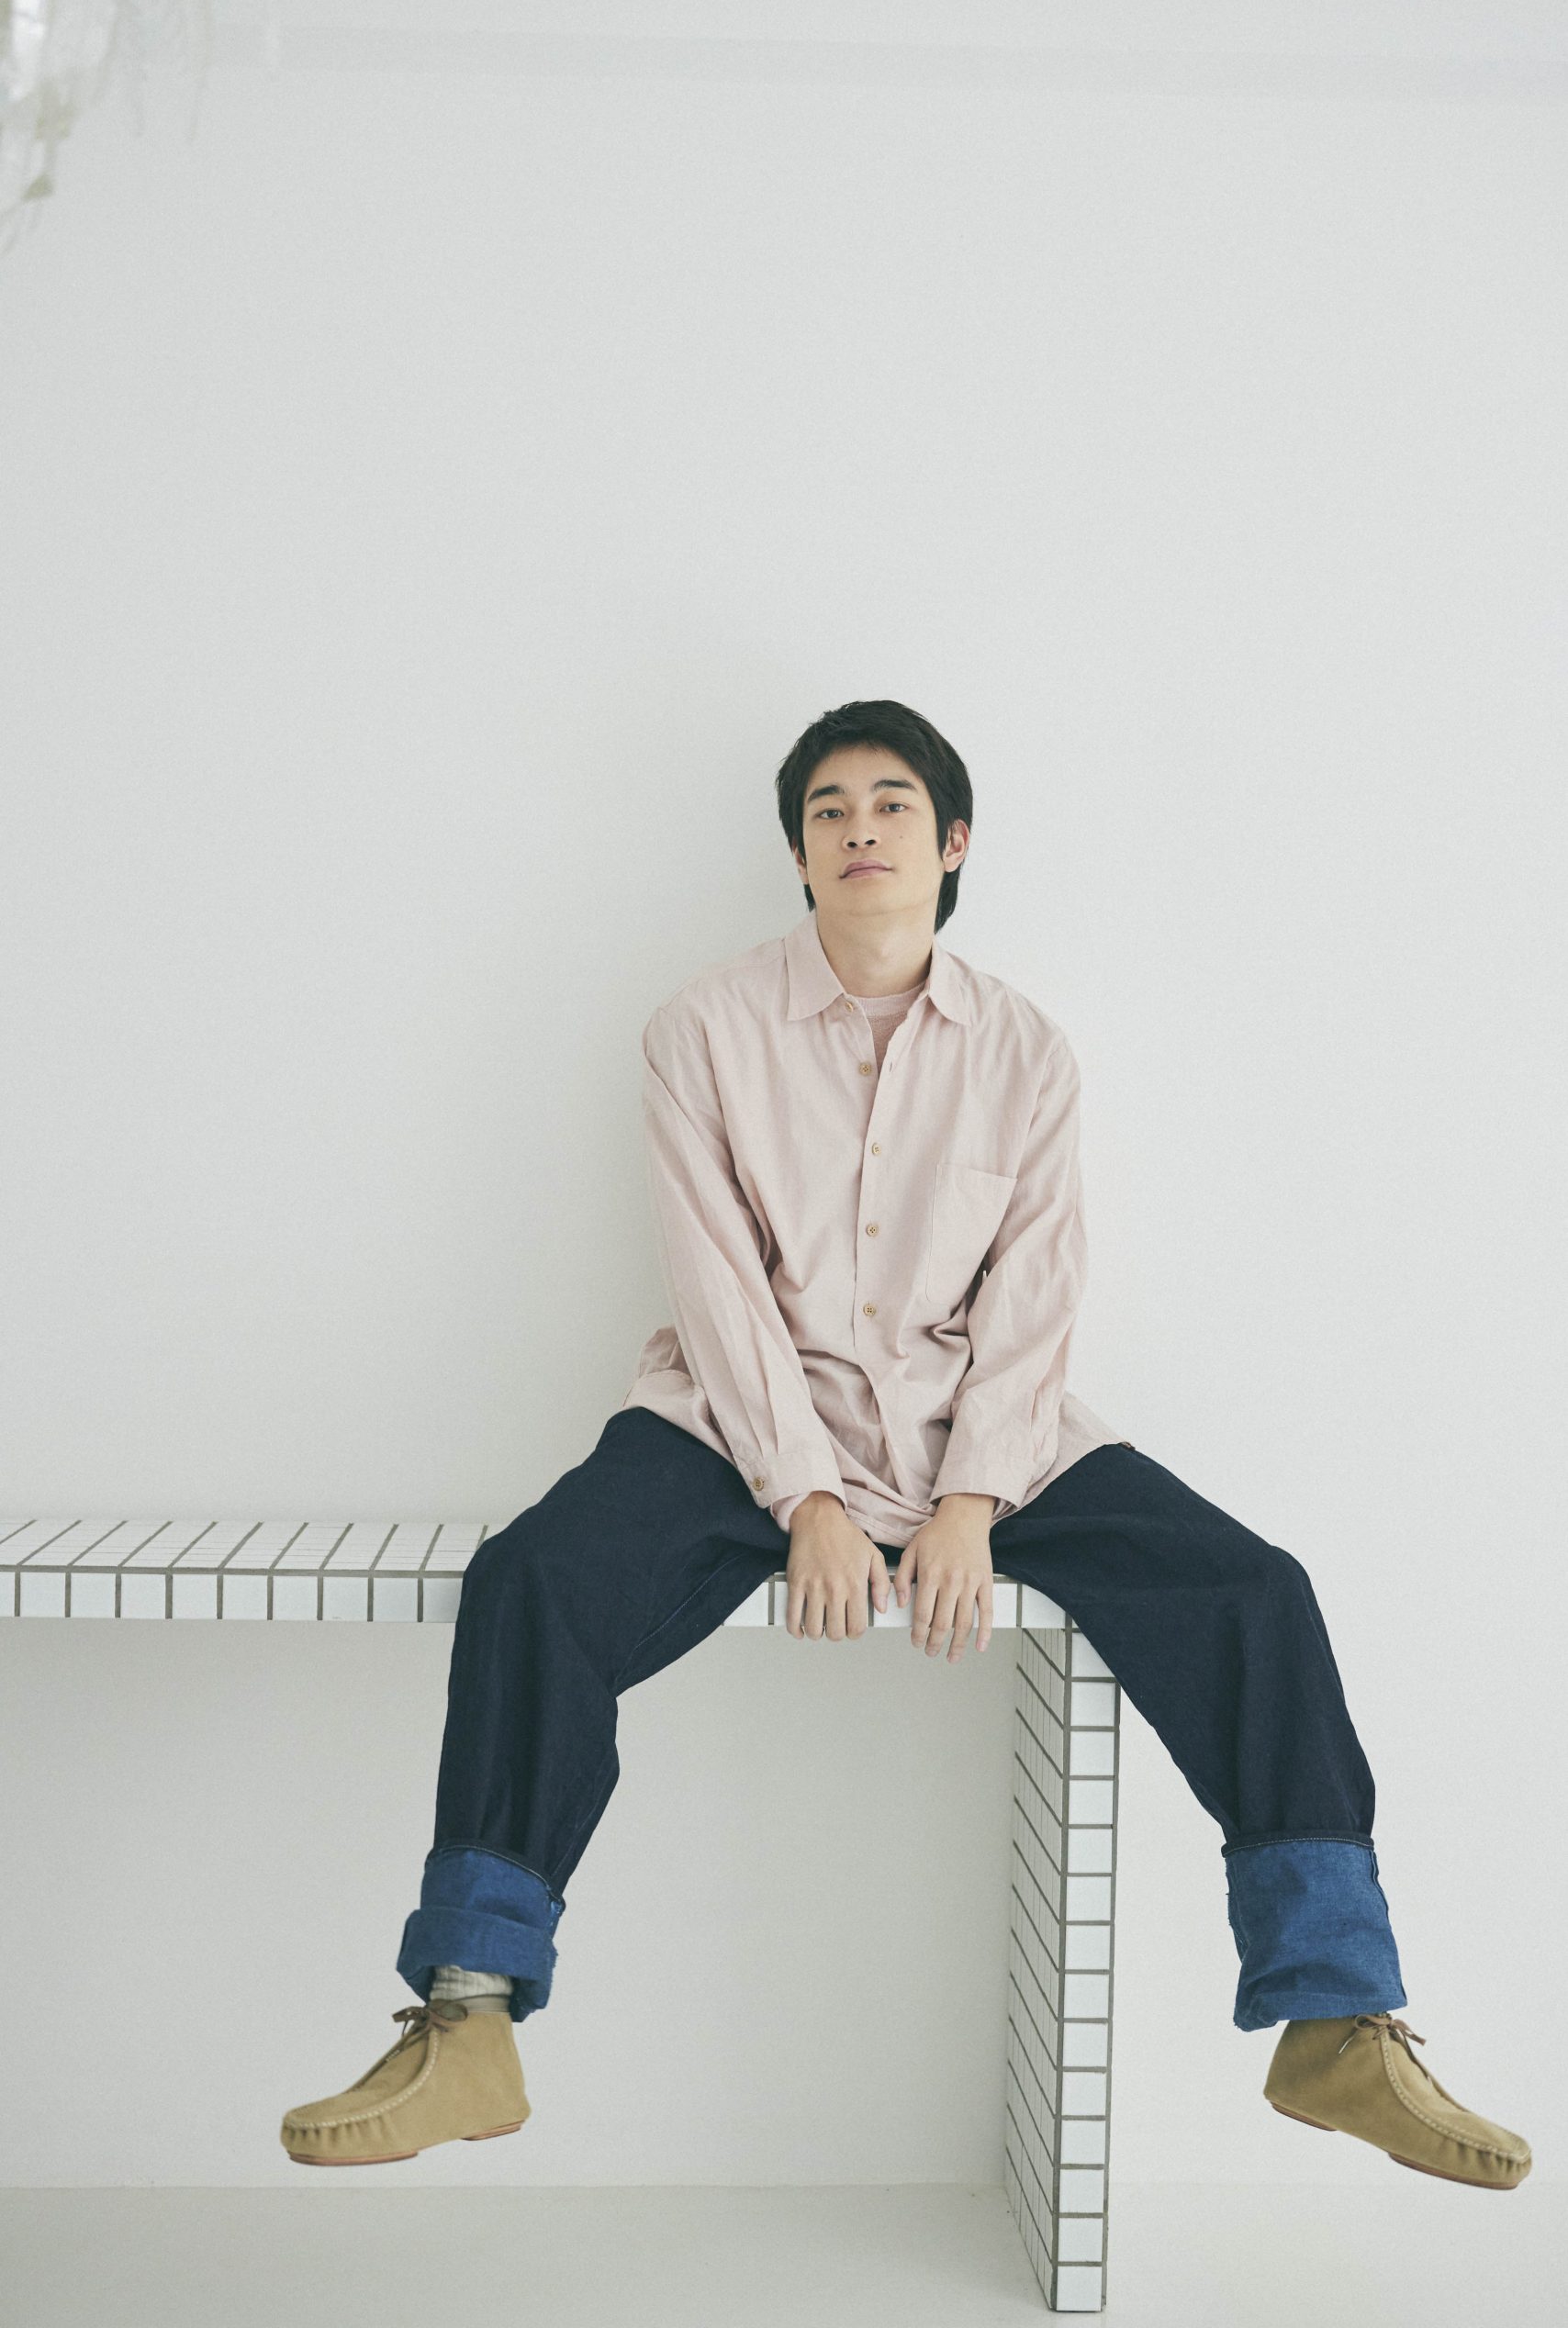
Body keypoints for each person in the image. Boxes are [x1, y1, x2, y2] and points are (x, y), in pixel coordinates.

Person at [280, 699, 1530, 2191]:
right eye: (827, 809)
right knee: (532, 1581)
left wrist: (974, 1499)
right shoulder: (702, 1029)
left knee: (1256, 1592)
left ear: (951, 844)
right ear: (799, 855)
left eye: (889, 804)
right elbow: (718, 1288)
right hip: (741, 1424)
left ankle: (1337, 2021)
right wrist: (806, 1494)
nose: (857, 828)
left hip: (979, 1432)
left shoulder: (1027, 1051)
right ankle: (470, 2016)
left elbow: (1036, 1297)